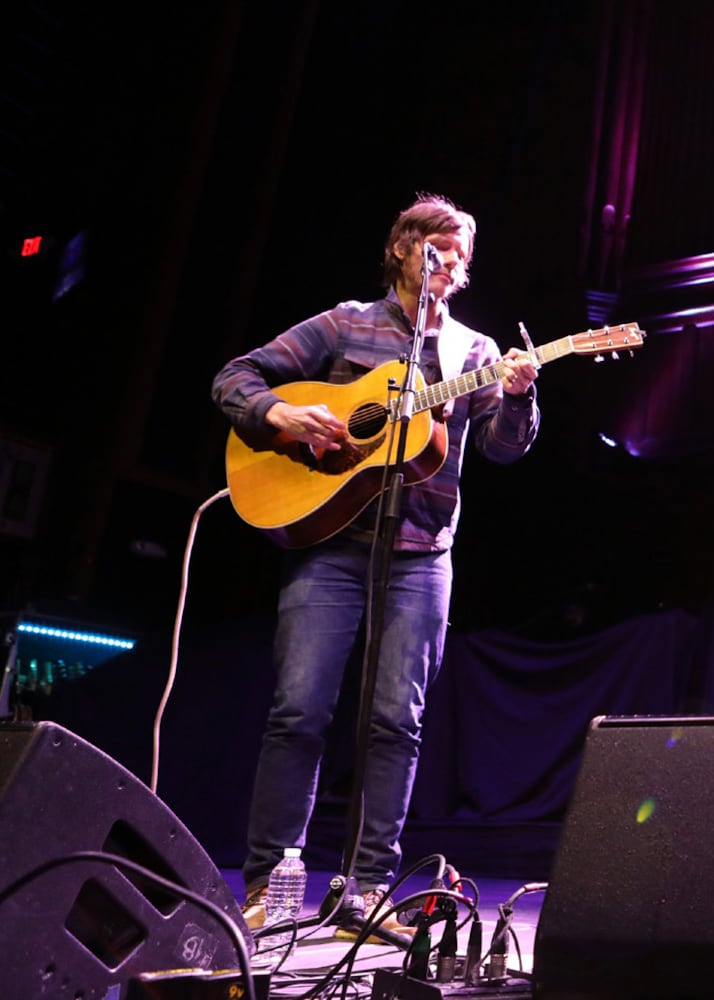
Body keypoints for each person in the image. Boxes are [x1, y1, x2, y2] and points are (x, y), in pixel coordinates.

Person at [211, 193, 540, 937]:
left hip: (422, 555)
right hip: (330, 546)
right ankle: (271, 886)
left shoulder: (475, 352)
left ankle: (363, 891)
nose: (451, 264)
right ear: (402, 248)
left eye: (462, 254)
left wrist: (519, 396)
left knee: (397, 722)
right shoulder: (345, 322)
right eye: (439, 248)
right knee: (298, 713)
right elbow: (236, 377)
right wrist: (280, 415)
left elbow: (502, 447)